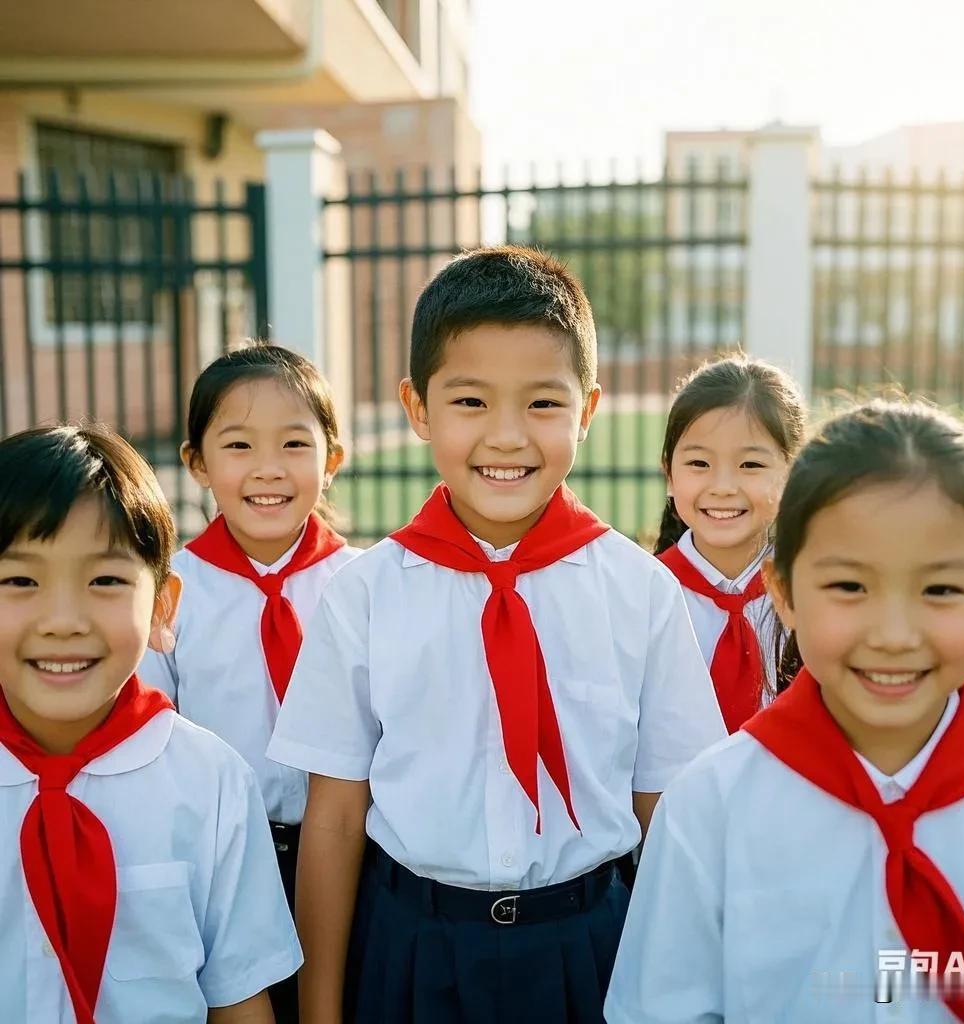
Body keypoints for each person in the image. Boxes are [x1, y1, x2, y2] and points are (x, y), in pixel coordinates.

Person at [267, 245, 726, 1023]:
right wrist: (319, 1009)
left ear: (587, 409)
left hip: (592, 947)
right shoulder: (366, 594)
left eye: (543, 404)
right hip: (412, 951)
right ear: (417, 409)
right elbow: (336, 814)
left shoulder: (641, 590)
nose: (507, 437)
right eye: (471, 402)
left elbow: (670, 813)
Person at [606, 399, 964, 1024]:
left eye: (939, 589)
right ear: (785, 593)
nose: (893, 635)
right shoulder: (709, 808)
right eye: (849, 586)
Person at [0, 423, 301, 1024]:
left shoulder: (211, 783)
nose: (63, 621)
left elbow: (239, 998)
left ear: (163, 605)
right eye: (20, 581)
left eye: (105, 580)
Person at [139, 342, 360, 1024]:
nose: (268, 469)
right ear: (197, 463)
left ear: (331, 461)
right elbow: (153, 733)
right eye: (238, 445)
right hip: (227, 858)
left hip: (356, 855)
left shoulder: (365, 583)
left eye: (295, 443)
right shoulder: (172, 590)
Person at [653, 354, 805, 732]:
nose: (722, 487)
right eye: (699, 464)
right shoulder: (643, 592)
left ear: (793, 474)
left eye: (750, 465)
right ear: (668, 474)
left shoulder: (809, 594)